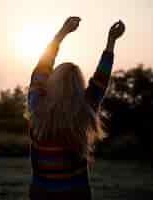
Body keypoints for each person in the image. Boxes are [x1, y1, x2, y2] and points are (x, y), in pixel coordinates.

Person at [26, 16, 125, 200]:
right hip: (76, 193)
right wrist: (111, 42)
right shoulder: (85, 108)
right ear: (79, 86)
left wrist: (62, 34)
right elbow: (101, 80)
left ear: (51, 82)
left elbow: (41, 68)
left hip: (41, 193)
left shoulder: (37, 105)